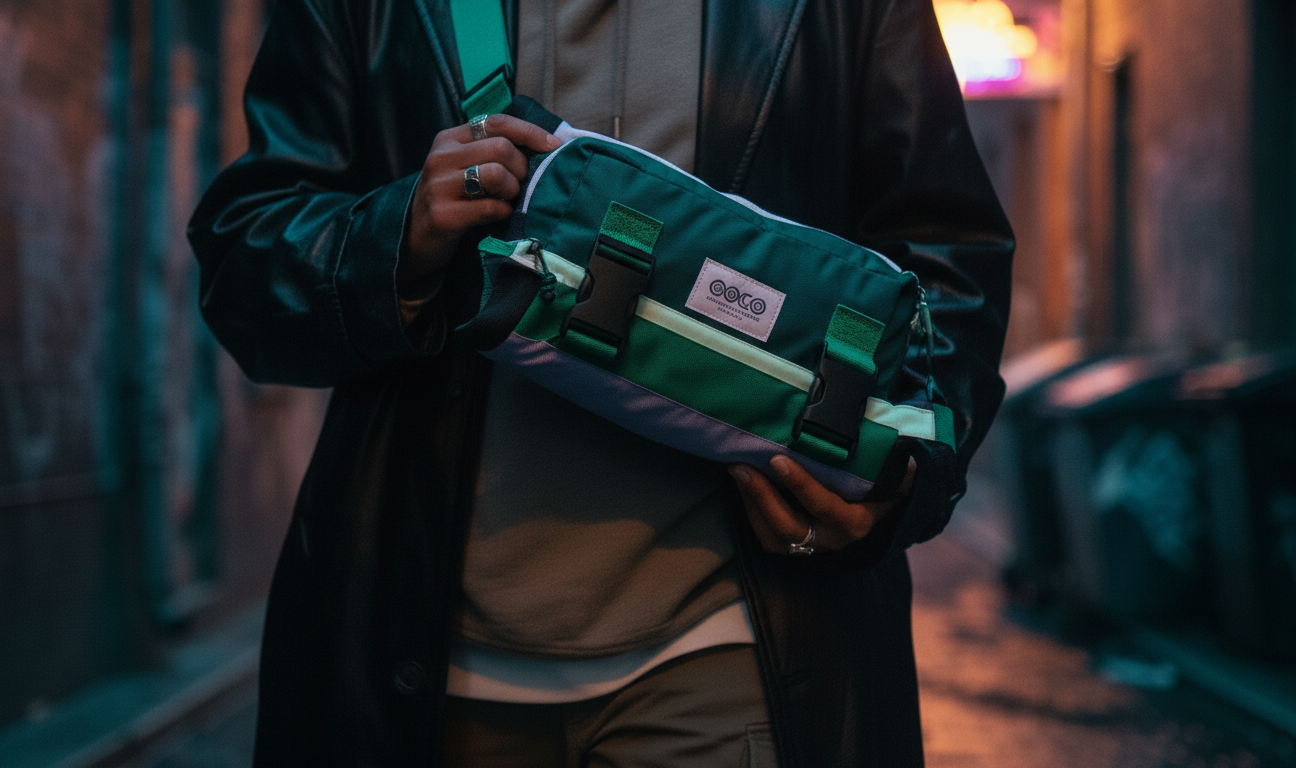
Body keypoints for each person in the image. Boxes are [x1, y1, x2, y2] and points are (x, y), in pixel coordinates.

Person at [188, 0, 1013, 765]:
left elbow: (950, 263)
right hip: (421, 663)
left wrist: (894, 486)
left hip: (732, 651)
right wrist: (394, 237)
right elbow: (244, 259)